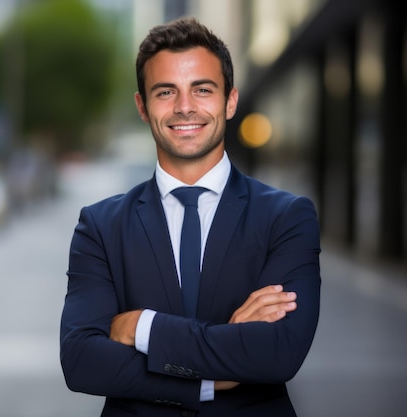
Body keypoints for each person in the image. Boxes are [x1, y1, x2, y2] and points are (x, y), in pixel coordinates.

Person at [60, 17, 321, 416]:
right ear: (142, 106)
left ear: (230, 101)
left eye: (202, 89)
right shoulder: (100, 226)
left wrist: (141, 326)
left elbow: (278, 353)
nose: (185, 107)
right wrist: (215, 370)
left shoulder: (286, 218)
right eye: (166, 92)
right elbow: (82, 362)